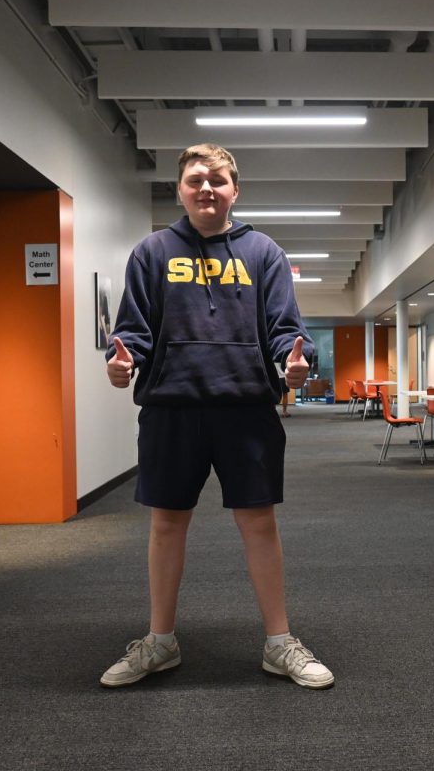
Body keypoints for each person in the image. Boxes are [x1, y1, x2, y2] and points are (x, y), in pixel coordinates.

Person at [101, 143, 333, 690]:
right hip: (171, 409)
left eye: (219, 179)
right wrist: (121, 359)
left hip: (245, 408)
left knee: (259, 522)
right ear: (180, 189)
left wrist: (293, 362)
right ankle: (160, 642)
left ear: (236, 189)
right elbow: (132, 327)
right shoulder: (152, 253)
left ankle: (279, 643)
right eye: (196, 179)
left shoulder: (263, 253)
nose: (207, 188)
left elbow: (284, 328)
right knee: (166, 524)